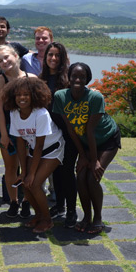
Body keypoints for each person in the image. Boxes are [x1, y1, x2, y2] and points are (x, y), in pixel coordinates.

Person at [52, 62, 121, 234]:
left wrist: (94, 160)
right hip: (85, 141)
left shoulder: (95, 98)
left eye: (82, 77)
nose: (77, 79)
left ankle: (97, 218)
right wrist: (82, 156)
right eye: (74, 76)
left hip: (106, 139)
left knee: (92, 177)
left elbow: (90, 130)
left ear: (87, 79)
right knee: (80, 176)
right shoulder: (60, 96)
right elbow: (71, 129)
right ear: (68, 77)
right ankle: (86, 217)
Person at [3, 77, 64, 233]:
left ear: (34, 96)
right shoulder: (14, 113)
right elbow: (20, 143)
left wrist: (31, 173)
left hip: (52, 148)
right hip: (34, 149)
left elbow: (40, 146)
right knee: (25, 183)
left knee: (35, 183)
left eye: (26, 94)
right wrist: (24, 172)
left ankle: (47, 220)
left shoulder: (41, 114)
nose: (21, 98)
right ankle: (39, 215)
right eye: (18, 95)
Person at [0, 45, 37, 218]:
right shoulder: (0, 81)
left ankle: (26, 200)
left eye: (6, 57)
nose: (4, 62)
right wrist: (3, 134)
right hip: (9, 129)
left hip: (28, 130)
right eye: (0, 60)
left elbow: (38, 107)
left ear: (15, 56)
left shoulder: (31, 78)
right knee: (10, 167)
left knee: (26, 166)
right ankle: (13, 201)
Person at [38, 42, 78, 228]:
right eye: (50, 55)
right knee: (56, 173)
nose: (53, 58)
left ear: (63, 58)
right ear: (45, 57)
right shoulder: (42, 79)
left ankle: (71, 210)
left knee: (67, 173)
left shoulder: (68, 80)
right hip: (51, 135)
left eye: (57, 55)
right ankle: (59, 206)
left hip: (68, 134)